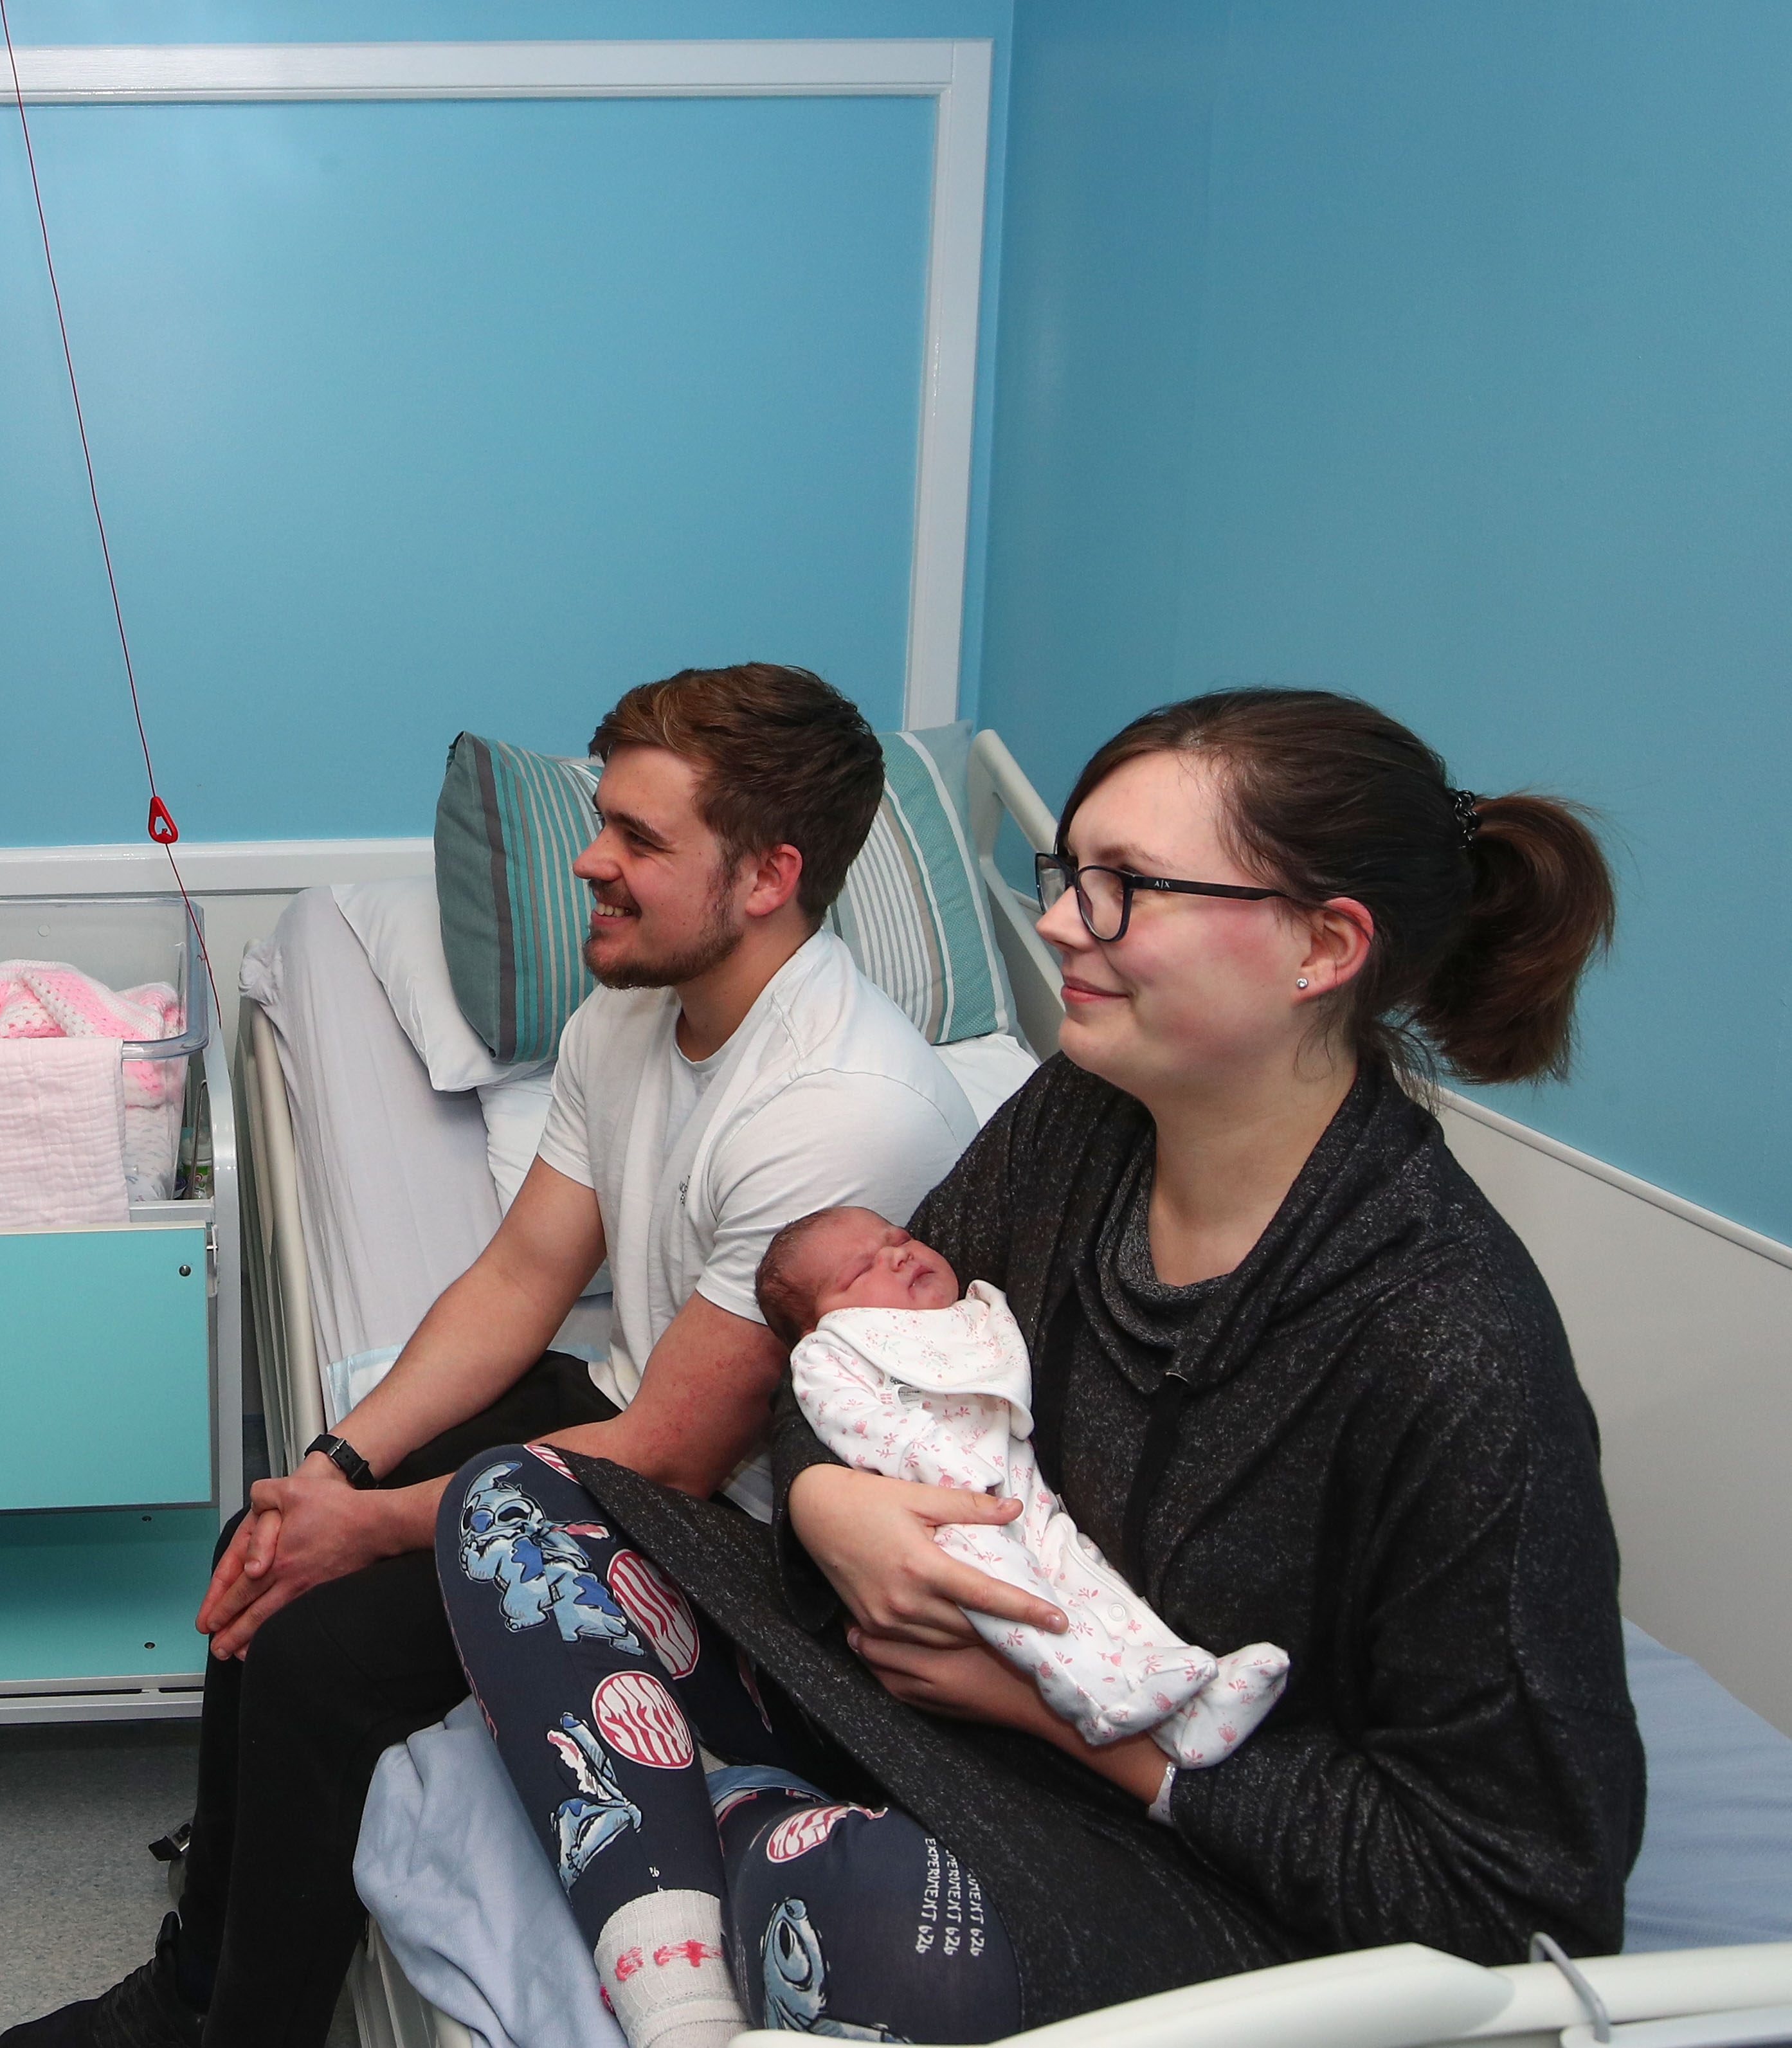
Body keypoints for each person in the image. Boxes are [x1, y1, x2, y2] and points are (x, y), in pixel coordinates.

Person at [442, 687, 1642, 2045]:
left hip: (1182, 1854)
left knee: (847, 1903)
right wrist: (830, 1504)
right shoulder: (1077, 1119)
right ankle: (691, 1941)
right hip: (936, 1706)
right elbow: (847, 1356)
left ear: (1318, 943)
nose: (1061, 921)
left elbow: (1508, 1897)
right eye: (1066, 872)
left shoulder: (1444, 1344)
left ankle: (722, 1823)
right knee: (509, 1502)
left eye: (1124, 886)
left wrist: (1075, 1727)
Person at [0, 663, 979, 2048]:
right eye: (603, 823)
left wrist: (377, 1528)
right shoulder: (629, 1010)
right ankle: (197, 1981)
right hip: (647, 1419)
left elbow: (676, 1457)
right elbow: (522, 1274)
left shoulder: (837, 1112)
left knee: (319, 1644)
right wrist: (335, 1467)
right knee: (269, 1539)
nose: (589, 861)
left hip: (768, 1551)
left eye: (639, 840)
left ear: (766, 875)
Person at [757, 1206, 1289, 1766]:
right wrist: (937, 1464)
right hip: (937, 1515)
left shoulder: (976, 1312)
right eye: (860, 1269)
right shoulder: (830, 1351)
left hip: (1024, 1492)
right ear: (820, 1322)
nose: (898, 1253)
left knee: (1088, 1578)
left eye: (901, 1238)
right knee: (1020, 1601)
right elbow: (852, 1420)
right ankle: (1094, 1697)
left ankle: (1187, 1692)